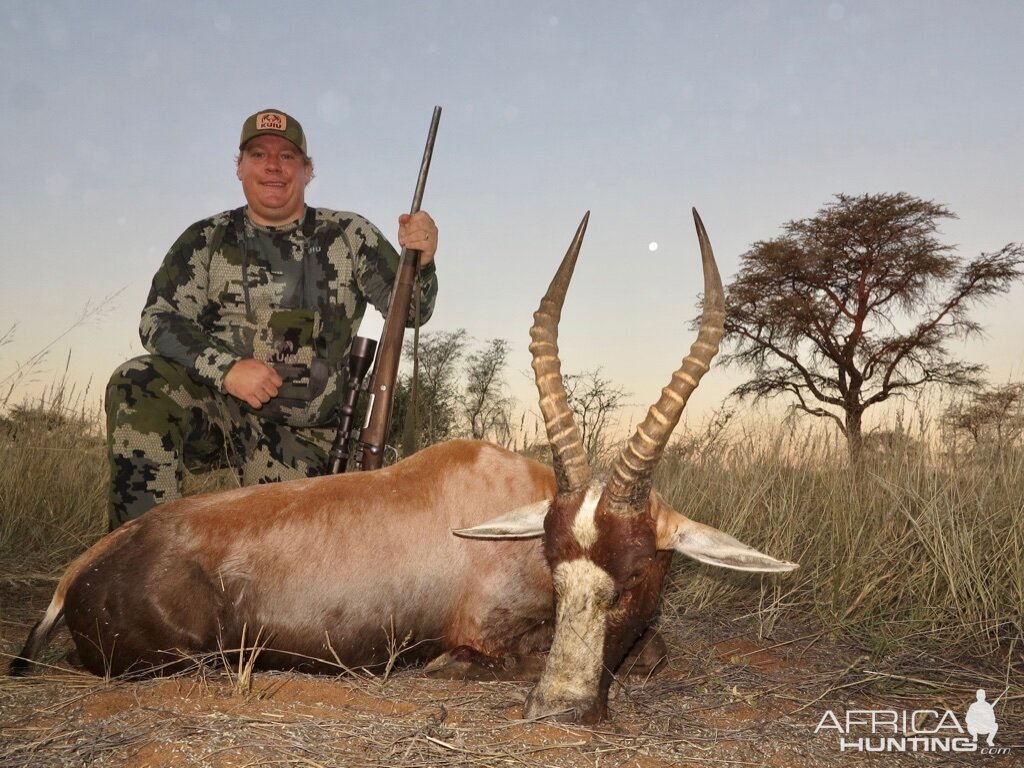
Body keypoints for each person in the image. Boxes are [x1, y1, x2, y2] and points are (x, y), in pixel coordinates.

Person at [105, 108, 438, 530]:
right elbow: (158, 320)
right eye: (259, 155)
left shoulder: (350, 235)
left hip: (310, 440)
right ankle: (142, 560)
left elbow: (412, 312)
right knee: (136, 382)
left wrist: (421, 263)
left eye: (287, 157)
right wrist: (228, 370)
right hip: (219, 414)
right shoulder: (206, 239)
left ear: (308, 170)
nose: (273, 168)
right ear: (239, 167)